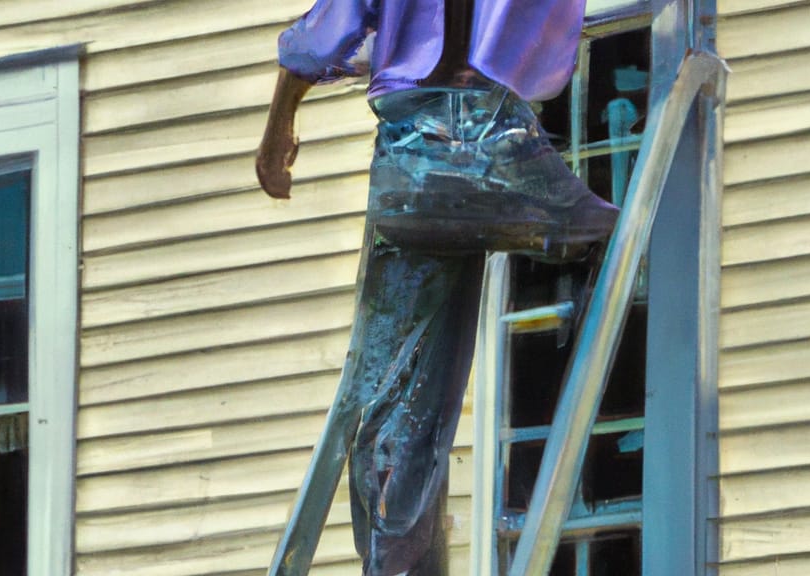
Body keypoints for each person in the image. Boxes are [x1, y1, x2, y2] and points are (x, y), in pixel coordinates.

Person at [256, 2, 618, 574]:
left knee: (397, 384)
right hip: (481, 139)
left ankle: (396, 562)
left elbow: (328, 30)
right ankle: (484, 151)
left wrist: (278, 126)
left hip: (404, 155)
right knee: (599, 229)